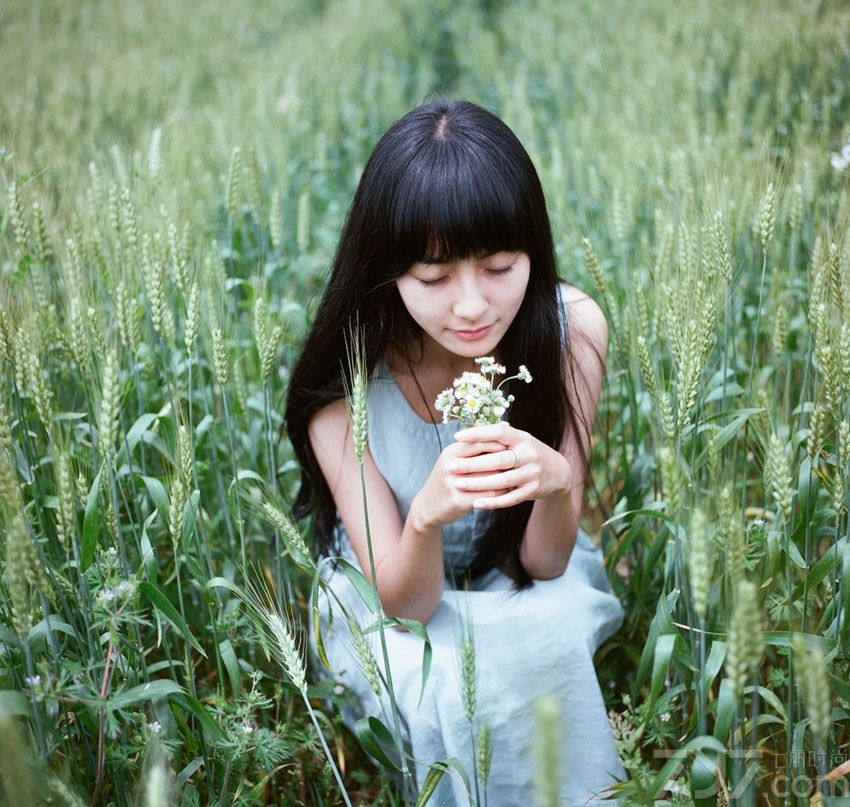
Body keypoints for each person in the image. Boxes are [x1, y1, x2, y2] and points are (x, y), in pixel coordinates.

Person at [285, 99, 625, 806]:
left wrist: (559, 485)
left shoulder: (572, 334)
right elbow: (407, 605)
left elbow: (545, 562)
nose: (472, 306)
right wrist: (425, 518)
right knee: (441, 679)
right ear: (385, 272)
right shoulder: (342, 390)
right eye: (434, 279)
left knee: (550, 642)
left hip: (519, 577)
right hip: (396, 597)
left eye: (501, 266)